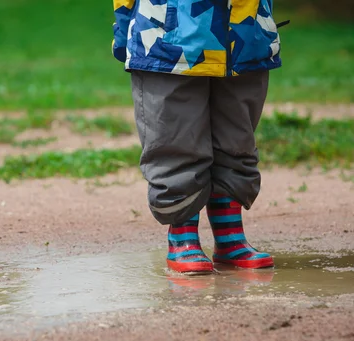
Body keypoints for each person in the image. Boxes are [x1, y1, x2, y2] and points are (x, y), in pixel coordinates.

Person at [112, 0, 282, 273]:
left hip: (245, 32)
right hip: (168, 36)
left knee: (236, 137)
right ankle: (183, 235)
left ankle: (230, 237)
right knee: (175, 136)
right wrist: (122, 25)